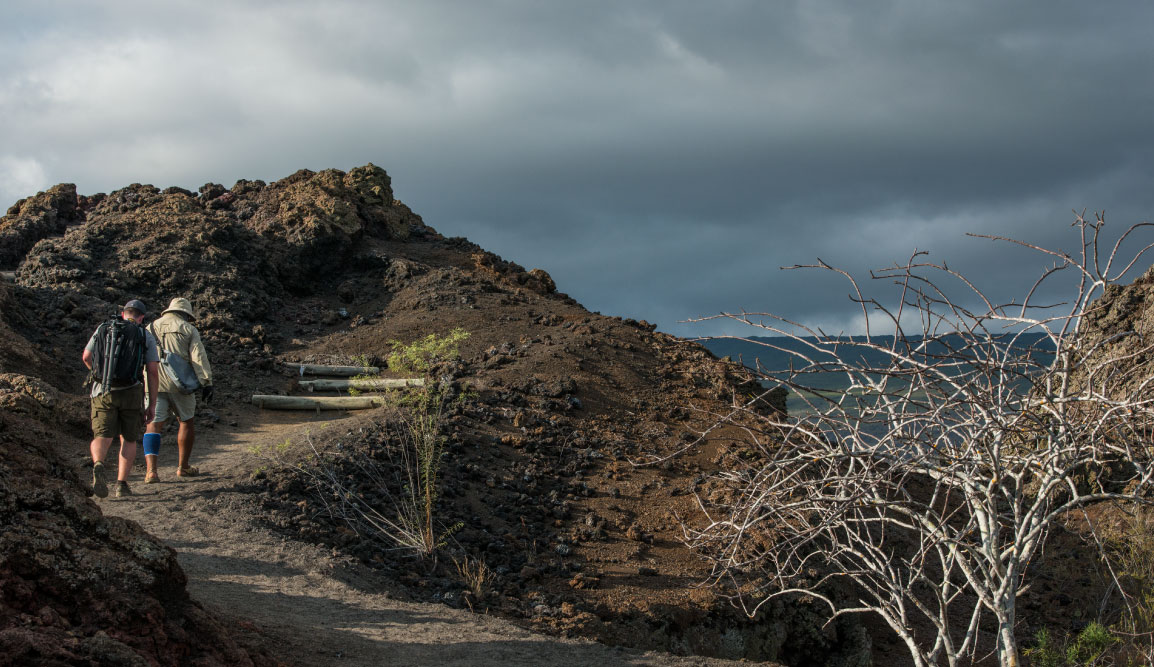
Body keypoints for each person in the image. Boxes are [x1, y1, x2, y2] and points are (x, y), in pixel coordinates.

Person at [82, 299, 160, 498]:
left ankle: (99, 463)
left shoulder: (103, 328)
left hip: (103, 390)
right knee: (129, 439)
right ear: (141, 317)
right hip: (132, 392)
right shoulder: (144, 334)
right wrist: (151, 404)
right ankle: (121, 485)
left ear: (123, 312)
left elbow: (86, 357)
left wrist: (98, 375)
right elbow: (152, 371)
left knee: (102, 435)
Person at [144, 297, 214, 482]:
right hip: (181, 385)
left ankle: (151, 471)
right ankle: (183, 467)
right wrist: (206, 382)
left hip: (154, 383)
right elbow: (198, 357)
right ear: (185, 314)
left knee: (153, 424)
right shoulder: (188, 329)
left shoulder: (150, 328)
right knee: (186, 422)